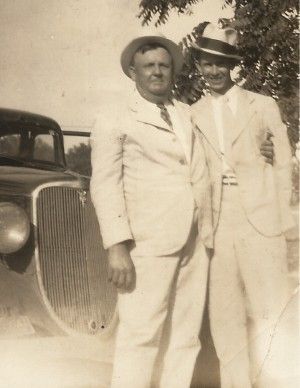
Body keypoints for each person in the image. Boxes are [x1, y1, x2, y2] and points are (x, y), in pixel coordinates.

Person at [90, 32, 213, 388]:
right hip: (145, 245)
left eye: (163, 65)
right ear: (133, 72)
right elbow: (105, 184)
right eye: (149, 66)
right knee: (141, 337)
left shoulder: (186, 114)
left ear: (172, 71)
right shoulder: (115, 117)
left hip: (195, 240)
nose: (157, 72)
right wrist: (116, 247)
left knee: (186, 337)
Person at [191, 23, 295, 388]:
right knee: (225, 314)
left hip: (260, 218)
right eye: (207, 63)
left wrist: (280, 218)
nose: (214, 71)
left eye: (221, 63)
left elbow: (284, 162)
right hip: (217, 220)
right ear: (198, 65)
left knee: (272, 309)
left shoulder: (262, 105)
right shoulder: (193, 113)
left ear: (233, 65)